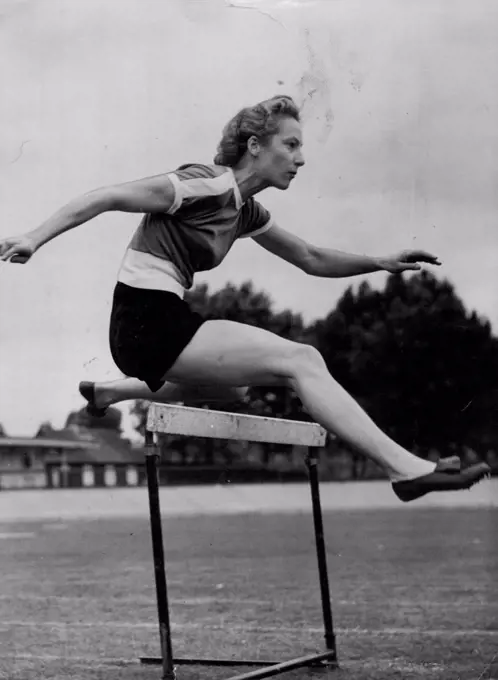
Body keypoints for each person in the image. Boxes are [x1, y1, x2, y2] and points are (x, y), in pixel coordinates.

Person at [0, 95, 490, 502]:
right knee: (302, 359)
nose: (301, 159)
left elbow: (312, 258)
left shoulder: (246, 212)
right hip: (144, 317)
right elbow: (106, 195)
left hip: (155, 323)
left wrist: (380, 262)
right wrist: (34, 237)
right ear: (255, 146)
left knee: (235, 390)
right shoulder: (205, 184)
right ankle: (404, 469)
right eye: (291, 145)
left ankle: (110, 391)